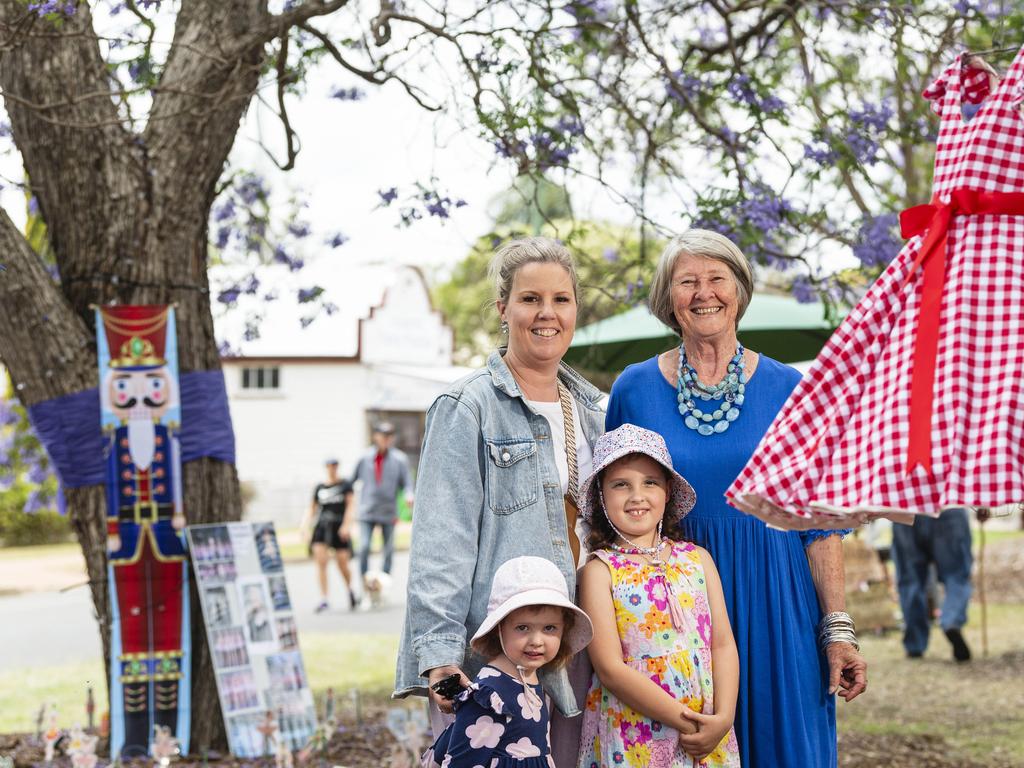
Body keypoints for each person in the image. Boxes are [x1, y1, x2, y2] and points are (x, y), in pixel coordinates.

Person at [606, 229, 867, 767]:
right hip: (673, 611)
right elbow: (608, 511)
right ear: (668, 299)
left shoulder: (789, 388)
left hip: (776, 597)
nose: (705, 293)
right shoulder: (632, 389)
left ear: (740, 290)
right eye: (688, 281)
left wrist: (837, 630)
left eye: (717, 278)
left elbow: (818, 525)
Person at [394, 237, 605, 768]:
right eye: (530, 299)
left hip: (575, 642)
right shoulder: (467, 407)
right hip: (495, 660)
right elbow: (442, 539)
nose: (547, 313)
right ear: (503, 308)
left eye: (561, 299)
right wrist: (440, 657)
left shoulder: (594, 411)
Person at [577, 424, 741, 767]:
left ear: (667, 491)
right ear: (602, 497)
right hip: (634, 735)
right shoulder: (600, 571)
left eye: (649, 482)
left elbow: (722, 644)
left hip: (709, 730)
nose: (637, 495)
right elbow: (609, 668)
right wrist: (687, 722)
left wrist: (723, 718)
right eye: (621, 484)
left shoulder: (698, 559)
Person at [421, 556, 594, 767]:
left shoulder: (529, 677)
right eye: (522, 628)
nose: (536, 641)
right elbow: (463, 762)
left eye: (549, 628)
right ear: (499, 628)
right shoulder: (490, 695)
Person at [891, 507, 978, 662]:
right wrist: (982, 506)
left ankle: (915, 645)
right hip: (948, 507)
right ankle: (951, 621)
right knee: (956, 575)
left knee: (911, 581)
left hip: (906, 508)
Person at [351, 422, 413, 578]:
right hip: (367, 510)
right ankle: (365, 583)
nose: (386, 439)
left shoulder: (399, 459)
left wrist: (409, 494)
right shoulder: (364, 458)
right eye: (383, 435)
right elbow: (351, 481)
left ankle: (384, 581)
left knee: (388, 549)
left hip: (388, 511)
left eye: (389, 436)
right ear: (375, 436)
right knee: (364, 546)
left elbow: (407, 483)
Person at [300, 458, 357, 613]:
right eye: (329, 466)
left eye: (335, 466)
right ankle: (324, 598)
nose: (332, 469)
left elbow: (351, 506)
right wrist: (304, 526)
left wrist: (347, 525)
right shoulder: (320, 487)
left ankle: (350, 589)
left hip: (339, 526)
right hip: (322, 526)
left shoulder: (345, 485)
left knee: (342, 563)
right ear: (326, 468)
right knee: (321, 562)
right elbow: (311, 508)